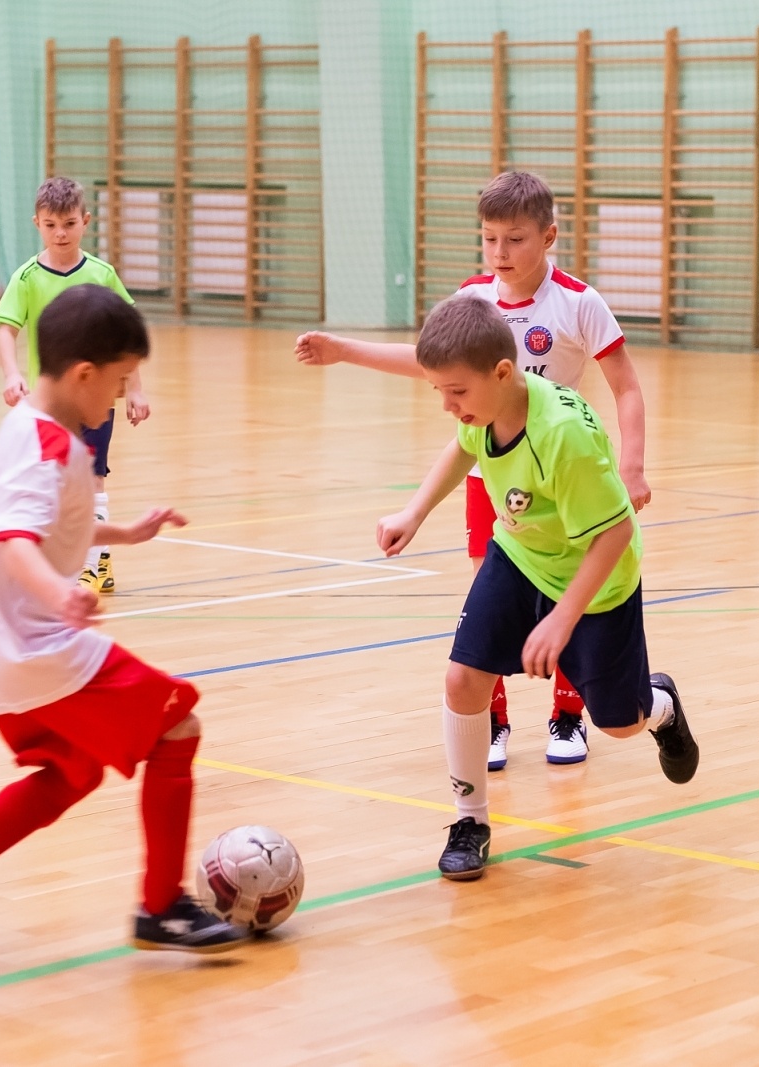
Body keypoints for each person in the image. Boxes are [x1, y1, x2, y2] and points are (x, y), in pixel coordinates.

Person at [0, 285, 245, 956]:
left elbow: (52, 520)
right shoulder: (50, 445)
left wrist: (124, 534)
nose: (115, 398)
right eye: (116, 383)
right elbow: (14, 536)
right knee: (177, 724)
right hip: (35, 644)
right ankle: (162, 905)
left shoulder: (29, 426)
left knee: (71, 773)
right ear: (85, 374)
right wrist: (58, 593)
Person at [296, 171, 650, 771]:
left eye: (514, 239)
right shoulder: (473, 299)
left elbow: (627, 387)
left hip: (561, 474)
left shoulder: (577, 301)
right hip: (494, 472)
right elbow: (431, 361)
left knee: (567, 586)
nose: (500, 253)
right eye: (489, 240)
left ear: (548, 236)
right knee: (496, 595)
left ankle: (568, 715)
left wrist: (633, 465)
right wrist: (345, 350)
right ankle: (492, 722)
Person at [375, 296, 698, 881]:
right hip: (520, 556)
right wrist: (413, 513)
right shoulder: (489, 411)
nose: (449, 406)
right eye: (439, 393)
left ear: (503, 372)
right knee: (462, 678)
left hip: (595, 580)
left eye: (457, 393)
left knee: (620, 724)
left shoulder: (563, 435)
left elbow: (617, 533)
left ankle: (663, 707)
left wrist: (561, 618)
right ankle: (470, 820)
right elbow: (461, 449)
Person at [0, 176, 151, 594]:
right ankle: (65, 556)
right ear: (37, 224)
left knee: (92, 478)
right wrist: (12, 373)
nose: (60, 233)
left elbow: (127, 334)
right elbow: (6, 330)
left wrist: (134, 387)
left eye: (67, 223)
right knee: (54, 479)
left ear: (85, 221)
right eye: (50, 225)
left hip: (95, 399)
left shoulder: (101, 275)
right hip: (49, 406)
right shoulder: (27, 278)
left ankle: (96, 566)